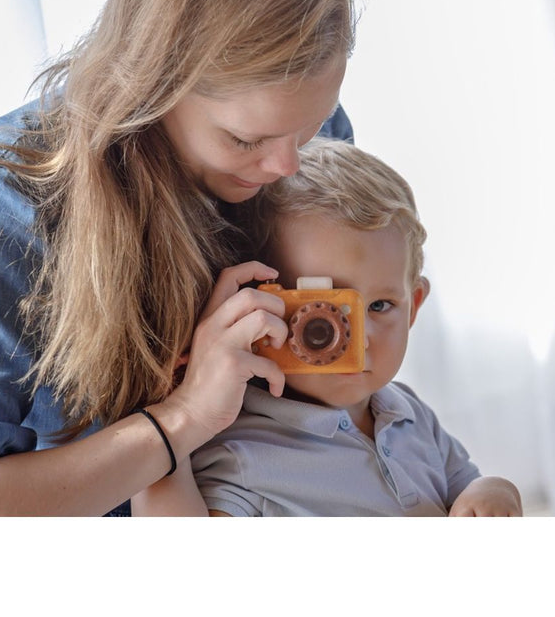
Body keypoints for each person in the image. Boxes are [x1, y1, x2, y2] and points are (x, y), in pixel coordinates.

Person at [0, 0, 357, 516]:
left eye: (309, 129)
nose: (288, 165)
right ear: (152, 84)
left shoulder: (304, 141)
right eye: (243, 139)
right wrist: (182, 418)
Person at [132, 139, 523, 516]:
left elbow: (464, 486)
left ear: (414, 307)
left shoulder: (409, 413)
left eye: (381, 306)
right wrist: (169, 439)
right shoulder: (244, 450)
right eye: (325, 315)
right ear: (255, 309)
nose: (361, 337)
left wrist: (492, 490)